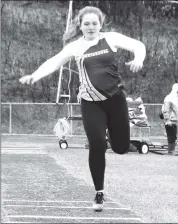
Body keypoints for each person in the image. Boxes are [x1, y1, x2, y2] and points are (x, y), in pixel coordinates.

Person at [19, 6, 146, 211]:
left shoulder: (110, 38)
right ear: (80, 25)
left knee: (121, 148)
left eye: (94, 23)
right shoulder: (75, 47)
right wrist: (35, 75)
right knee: (97, 145)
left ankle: (111, 134)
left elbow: (138, 45)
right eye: (86, 23)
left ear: (100, 24)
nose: (90, 27)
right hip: (90, 102)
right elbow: (54, 61)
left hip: (116, 100)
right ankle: (99, 193)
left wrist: (139, 59)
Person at [162, 83, 178, 155]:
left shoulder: (175, 98)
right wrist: (167, 120)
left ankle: (172, 151)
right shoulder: (169, 98)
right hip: (171, 121)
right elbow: (166, 110)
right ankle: (171, 151)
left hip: (175, 120)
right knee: (172, 136)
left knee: (174, 137)